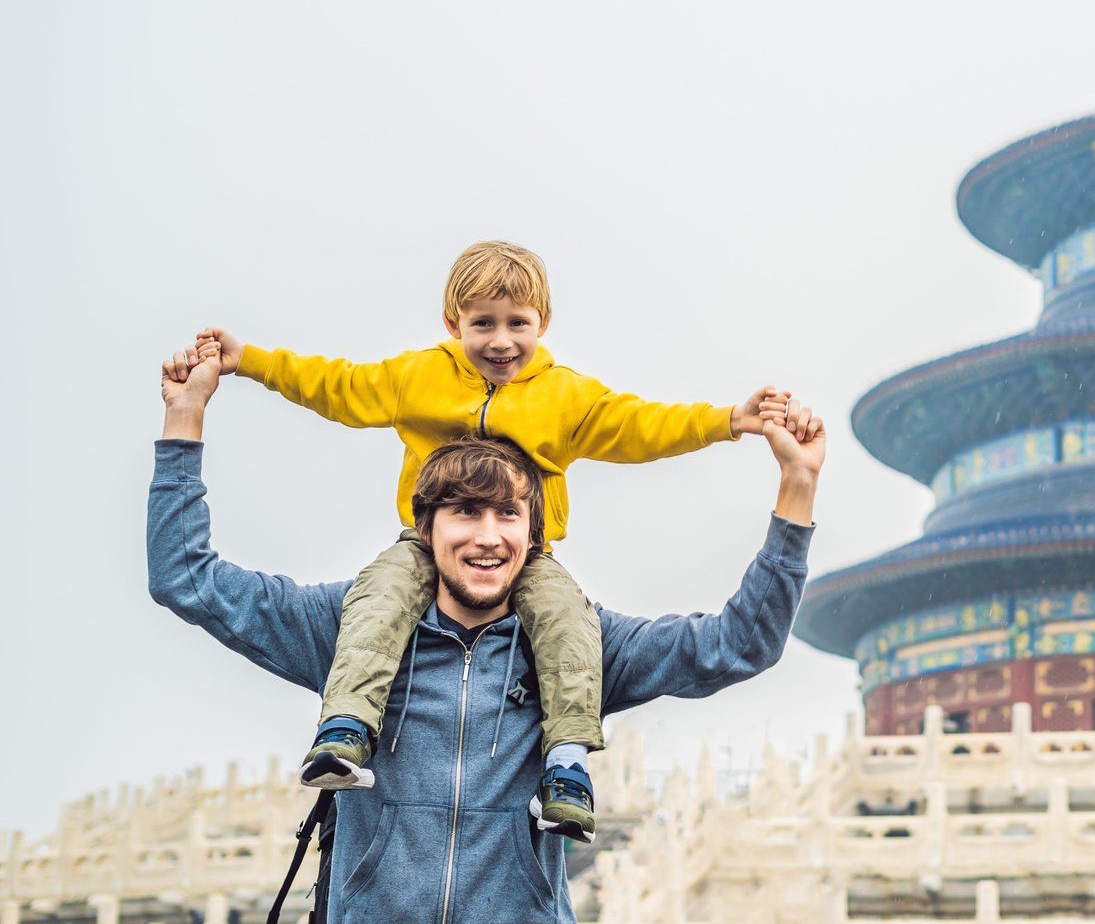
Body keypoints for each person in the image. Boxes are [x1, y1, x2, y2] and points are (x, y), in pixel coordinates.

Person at [150, 347, 822, 924]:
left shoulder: (577, 647)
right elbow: (186, 577)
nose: (488, 537)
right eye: (465, 513)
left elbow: (738, 645)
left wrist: (796, 489)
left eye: (508, 515)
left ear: (534, 534)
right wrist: (184, 418)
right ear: (426, 527)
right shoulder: (349, 628)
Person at [192, 239, 793, 843]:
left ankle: (567, 764)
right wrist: (252, 361)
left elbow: (642, 425)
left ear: (543, 323)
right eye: (483, 324)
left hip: (527, 556)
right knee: (378, 599)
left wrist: (728, 421)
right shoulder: (417, 377)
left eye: (517, 324)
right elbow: (336, 386)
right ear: (452, 323)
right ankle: (346, 726)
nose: (501, 341)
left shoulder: (565, 396)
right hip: (424, 545)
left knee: (567, 622)